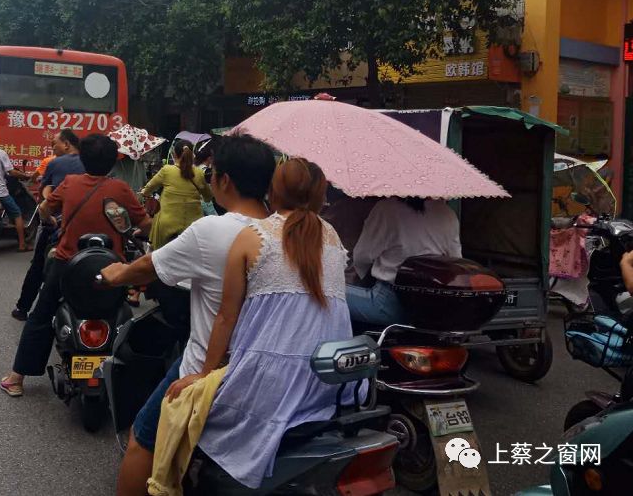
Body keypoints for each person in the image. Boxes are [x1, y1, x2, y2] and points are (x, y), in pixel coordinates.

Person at [100, 134, 277, 496]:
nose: (209, 178)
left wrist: (115, 274)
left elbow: (149, 265)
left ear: (225, 180)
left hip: (208, 367)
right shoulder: (287, 229)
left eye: (212, 172)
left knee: (143, 438)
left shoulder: (214, 229)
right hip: (264, 366)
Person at [163, 158, 355, 489]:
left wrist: (204, 375)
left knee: (178, 414)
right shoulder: (333, 238)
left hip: (263, 385)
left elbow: (226, 316)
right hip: (327, 387)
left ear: (272, 191)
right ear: (321, 195)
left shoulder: (252, 237)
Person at [0, 133, 152, 397]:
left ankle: (16, 378)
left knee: (40, 316)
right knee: (123, 316)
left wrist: (56, 222)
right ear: (112, 161)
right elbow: (146, 224)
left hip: (68, 265)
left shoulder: (70, 183)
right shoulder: (121, 189)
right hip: (111, 270)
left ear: (81, 158)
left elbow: (45, 209)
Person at [346, 197, 462, 326]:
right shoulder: (447, 213)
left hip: (388, 303)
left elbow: (363, 256)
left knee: (328, 294)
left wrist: (362, 277)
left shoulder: (387, 209)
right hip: (431, 307)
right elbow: (456, 261)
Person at [11, 130, 84, 321]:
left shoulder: (55, 163)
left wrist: (48, 209)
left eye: (54, 144)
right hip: (84, 227)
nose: (52, 148)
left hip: (56, 224)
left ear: (67, 144)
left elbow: (44, 191)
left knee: (37, 267)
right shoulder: (89, 162)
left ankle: (23, 308)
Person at [142, 140, 212, 250]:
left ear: (174, 154)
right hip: (193, 228)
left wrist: (145, 194)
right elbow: (208, 198)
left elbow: (147, 190)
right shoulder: (199, 173)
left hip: (167, 227)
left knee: (155, 255)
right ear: (192, 154)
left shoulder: (167, 170)